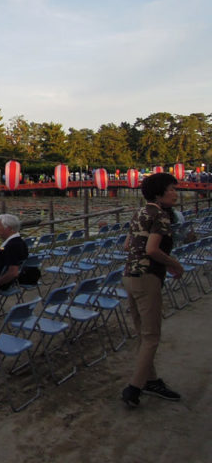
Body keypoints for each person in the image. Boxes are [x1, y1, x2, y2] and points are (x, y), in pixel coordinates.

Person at [120, 172, 184, 408]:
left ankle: (151, 379)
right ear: (159, 193)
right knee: (152, 336)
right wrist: (175, 264)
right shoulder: (161, 215)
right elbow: (152, 249)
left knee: (143, 333)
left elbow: (128, 244)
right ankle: (134, 388)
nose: (176, 193)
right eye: (172, 189)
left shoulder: (139, 213)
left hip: (129, 276)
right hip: (147, 278)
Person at [0, 214, 28, 293]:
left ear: (8, 228)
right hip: (10, 280)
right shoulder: (19, 241)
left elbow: (13, 272)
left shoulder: (12, 246)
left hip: (2, 283)